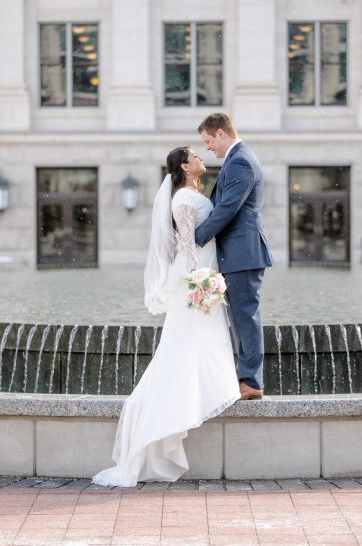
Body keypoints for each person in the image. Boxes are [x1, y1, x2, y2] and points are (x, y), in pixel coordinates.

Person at [93, 147, 240, 487]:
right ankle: (165, 418)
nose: (202, 158)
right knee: (182, 346)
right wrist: (199, 282)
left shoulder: (191, 192)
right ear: (184, 167)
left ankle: (198, 396)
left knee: (194, 343)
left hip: (202, 274)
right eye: (195, 155)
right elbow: (187, 244)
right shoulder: (183, 200)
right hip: (195, 278)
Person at [194, 113, 274, 400]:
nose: (208, 148)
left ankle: (251, 381)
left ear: (220, 133)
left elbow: (227, 209)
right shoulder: (238, 158)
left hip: (243, 254)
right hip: (239, 253)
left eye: (207, 141)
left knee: (246, 318)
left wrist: (195, 238)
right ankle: (246, 378)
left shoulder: (240, 160)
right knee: (241, 318)